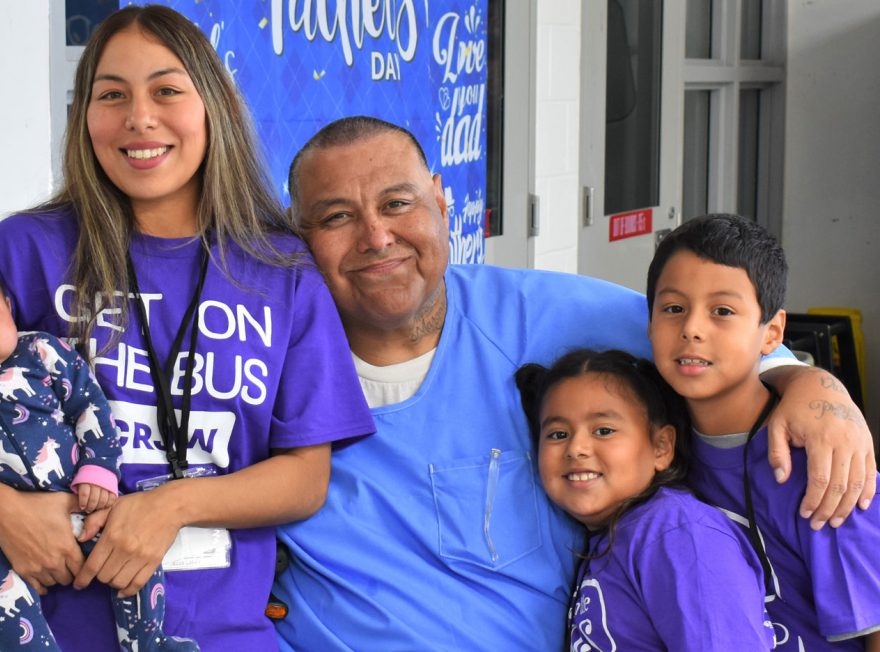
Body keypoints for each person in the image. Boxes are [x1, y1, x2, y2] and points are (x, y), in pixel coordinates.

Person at [0, 6, 374, 651]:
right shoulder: (28, 251)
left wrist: (172, 505)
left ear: (212, 106)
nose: (139, 118)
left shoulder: (281, 270)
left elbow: (305, 477)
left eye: (166, 90)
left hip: (219, 631)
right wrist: (2, 514)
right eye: (111, 95)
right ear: (85, 118)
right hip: (43, 626)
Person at [272, 115, 875, 650]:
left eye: (397, 204)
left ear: (441, 201)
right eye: (337, 217)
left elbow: (715, 342)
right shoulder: (267, 360)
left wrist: (811, 386)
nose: (376, 238)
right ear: (299, 236)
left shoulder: (544, 316)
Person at [0, 247, 197, 651]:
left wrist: (99, 469)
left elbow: (89, 406)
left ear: (8, 308)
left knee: (136, 563)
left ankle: (149, 644)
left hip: (85, 501)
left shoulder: (42, 353)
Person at [647, 214, 880, 650]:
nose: (692, 328)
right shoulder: (652, 444)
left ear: (772, 332)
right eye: (673, 308)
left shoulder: (823, 466)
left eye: (723, 312)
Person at [516, 349, 774, 649]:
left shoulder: (677, 532)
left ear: (661, 447)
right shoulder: (615, 537)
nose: (576, 448)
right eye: (558, 434)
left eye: (603, 430)